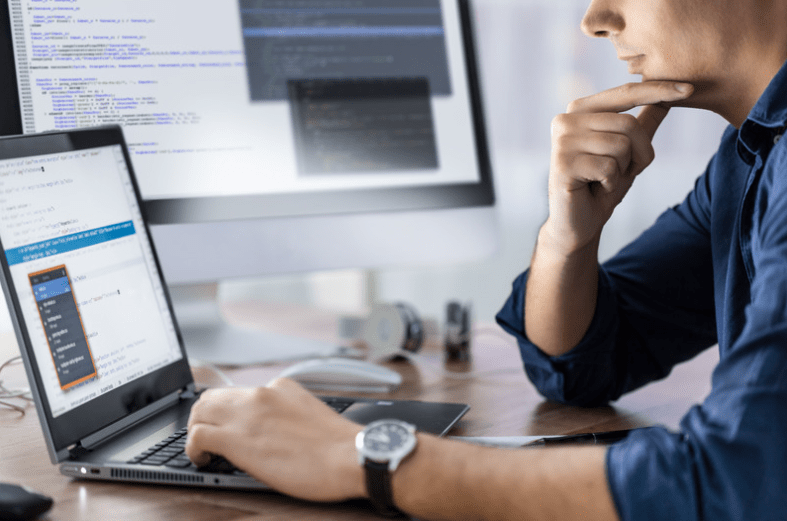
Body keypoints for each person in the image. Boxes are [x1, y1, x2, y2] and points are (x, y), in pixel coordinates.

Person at [185, 0, 787, 519]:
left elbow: (736, 480)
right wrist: (567, 237)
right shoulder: (749, 157)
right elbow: (585, 363)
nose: (595, 19)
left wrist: (363, 457)